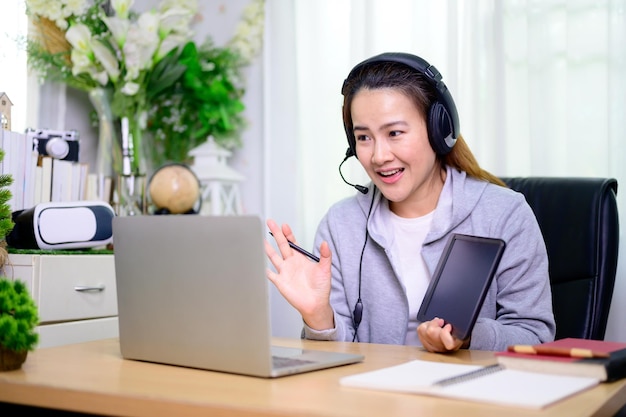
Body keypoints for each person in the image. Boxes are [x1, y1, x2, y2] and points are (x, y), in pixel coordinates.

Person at [265, 52, 556, 353]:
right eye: (363, 138)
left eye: (394, 133)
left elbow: (535, 336)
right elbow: (335, 363)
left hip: (471, 396)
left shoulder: (503, 214)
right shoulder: (341, 225)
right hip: (371, 397)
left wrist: (469, 336)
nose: (379, 156)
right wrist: (318, 317)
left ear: (438, 130)